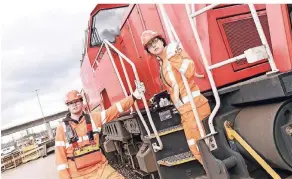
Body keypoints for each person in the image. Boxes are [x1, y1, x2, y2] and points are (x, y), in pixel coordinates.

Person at [140, 30, 211, 165]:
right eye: (150, 45)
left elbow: (189, 70)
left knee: (204, 145)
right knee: (194, 146)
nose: (154, 46)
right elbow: (175, 84)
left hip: (194, 106)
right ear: (149, 51)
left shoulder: (173, 53)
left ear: (161, 40)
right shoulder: (163, 62)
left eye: (155, 41)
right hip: (185, 111)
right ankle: (210, 171)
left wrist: (174, 57)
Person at [55, 84, 145, 179]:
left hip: (101, 169)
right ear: (68, 106)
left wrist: (133, 97)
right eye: (71, 103)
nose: (74, 104)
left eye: (76, 101)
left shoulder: (93, 118)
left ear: (82, 102)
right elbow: (61, 161)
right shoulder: (62, 129)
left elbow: (114, 110)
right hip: (79, 175)